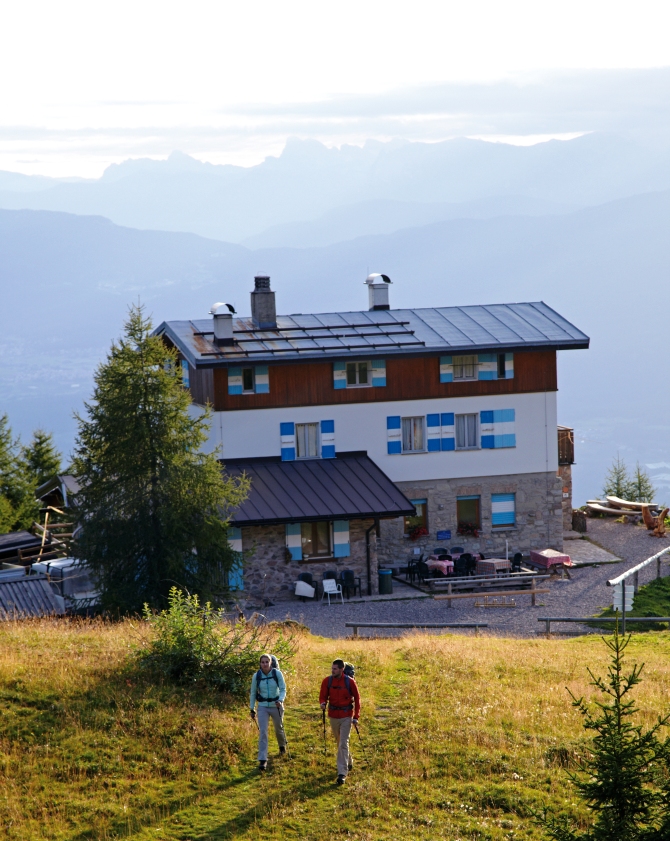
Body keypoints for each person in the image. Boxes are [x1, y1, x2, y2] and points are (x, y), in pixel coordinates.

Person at [319, 659, 361, 785]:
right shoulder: (327, 681)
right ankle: (348, 760)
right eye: (332, 668)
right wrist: (322, 703)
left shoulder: (350, 682)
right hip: (333, 716)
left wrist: (356, 716)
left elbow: (358, 699)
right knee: (339, 741)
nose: (332, 671)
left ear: (342, 669)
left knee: (343, 742)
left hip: (346, 716)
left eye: (335, 669)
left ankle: (342, 773)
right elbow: (323, 695)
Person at [250, 653, 287, 771]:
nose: (265, 664)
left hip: (276, 705)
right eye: (263, 662)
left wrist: (280, 700)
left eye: (267, 662)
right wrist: (252, 708)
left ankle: (282, 746)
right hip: (262, 707)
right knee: (263, 732)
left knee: (279, 728)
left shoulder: (277, 674)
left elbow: (283, 689)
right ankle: (262, 759)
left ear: (271, 663)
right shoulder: (257, 676)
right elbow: (253, 693)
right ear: (260, 664)